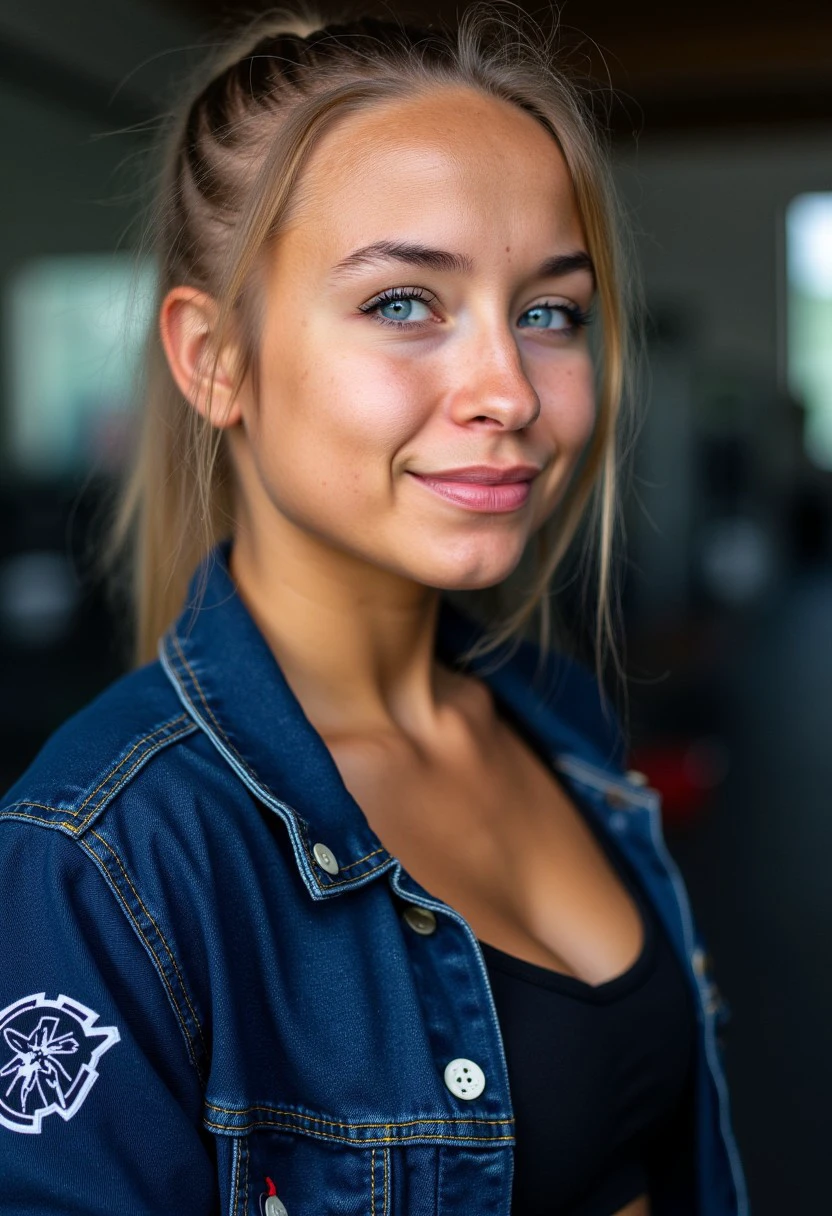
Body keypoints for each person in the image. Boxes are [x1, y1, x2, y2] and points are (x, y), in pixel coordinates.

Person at [0, 10, 746, 1214]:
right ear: (212, 359)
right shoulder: (99, 862)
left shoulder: (553, 718)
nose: (508, 389)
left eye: (550, 311)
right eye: (404, 302)